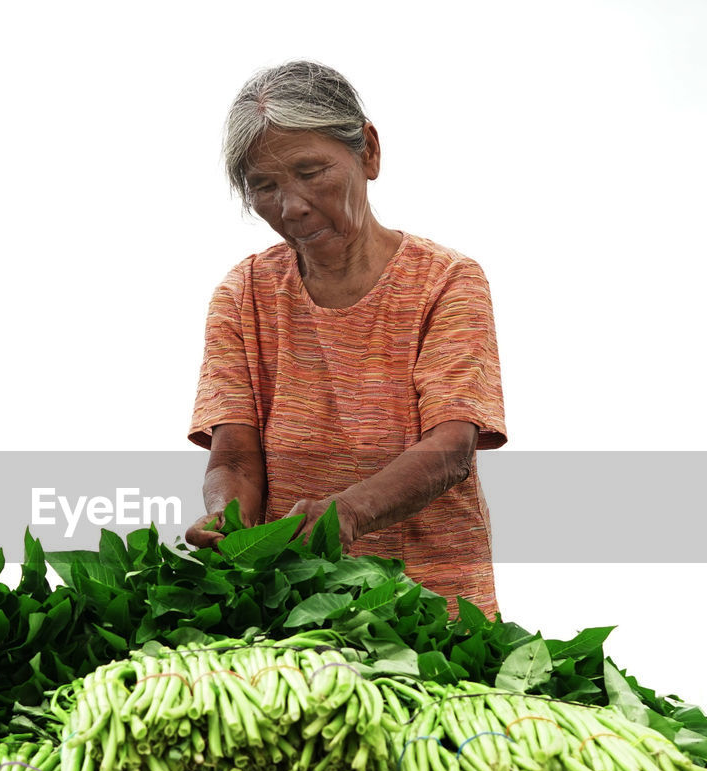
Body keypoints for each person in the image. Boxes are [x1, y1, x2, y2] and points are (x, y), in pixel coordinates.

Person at [185, 60, 508, 617]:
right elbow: (233, 458)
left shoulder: (447, 282)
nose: (291, 206)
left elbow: (452, 445)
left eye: (311, 172)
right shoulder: (243, 295)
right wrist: (228, 519)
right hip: (290, 609)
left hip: (434, 609)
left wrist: (350, 513)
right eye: (264, 186)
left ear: (369, 152)